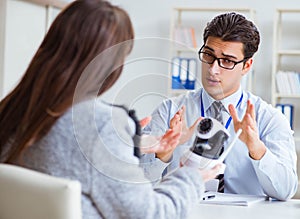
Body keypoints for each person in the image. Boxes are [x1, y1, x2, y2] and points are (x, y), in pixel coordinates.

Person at [0, 0, 221, 218]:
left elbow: (66, 151)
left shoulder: (12, 108)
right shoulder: (100, 124)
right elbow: (151, 214)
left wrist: (126, 143)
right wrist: (191, 176)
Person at [142, 12, 298, 201]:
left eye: (227, 61)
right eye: (208, 55)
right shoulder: (169, 111)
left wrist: (257, 149)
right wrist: (162, 155)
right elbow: (137, 184)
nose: (213, 69)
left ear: (247, 65)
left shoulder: (269, 119)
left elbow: (286, 191)